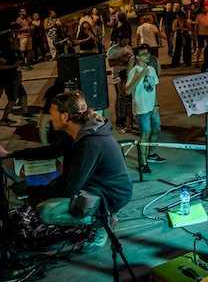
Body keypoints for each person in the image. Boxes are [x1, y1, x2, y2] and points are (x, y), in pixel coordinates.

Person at [3, 92, 133, 253]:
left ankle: (101, 222)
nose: (50, 118)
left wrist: (30, 189)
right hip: (94, 186)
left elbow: (69, 188)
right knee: (38, 198)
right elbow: (53, 151)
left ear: (65, 116)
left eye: (52, 114)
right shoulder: (80, 133)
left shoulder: (89, 142)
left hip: (110, 195)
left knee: (47, 211)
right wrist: (10, 154)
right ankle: (89, 217)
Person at [125, 46, 165, 173]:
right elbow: (127, 90)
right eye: (144, 54)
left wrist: (156, 105)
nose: (148, 56)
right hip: (142, 108)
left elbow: (154, 89)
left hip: (152, 106)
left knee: (157, 129)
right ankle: (143, 162)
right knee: (145, 134)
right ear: (137, 57)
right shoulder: (134, 71)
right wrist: (139, 76)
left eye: (148, 54)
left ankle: (151, 154)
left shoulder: (151, 69)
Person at [0, 24, 35, 124]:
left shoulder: (13, 53)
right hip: (8, 79)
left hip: (14, 78)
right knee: (12, 100)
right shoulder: (4, 54)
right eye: (16, 42)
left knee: (23, 95)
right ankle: (4, 119)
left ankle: (25, 113)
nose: (18, 43)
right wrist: (14, 65)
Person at [107, 33, 134, 129]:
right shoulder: (112, 50)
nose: (126, 41)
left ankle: (128, 118)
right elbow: (111, 64)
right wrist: (122, 58)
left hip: (128, 76)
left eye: (127, 39)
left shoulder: (128, 48)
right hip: (117, 77)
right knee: (120, 99)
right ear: (119, 39)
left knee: (128, 99)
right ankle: (119, 119)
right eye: (124, 39)